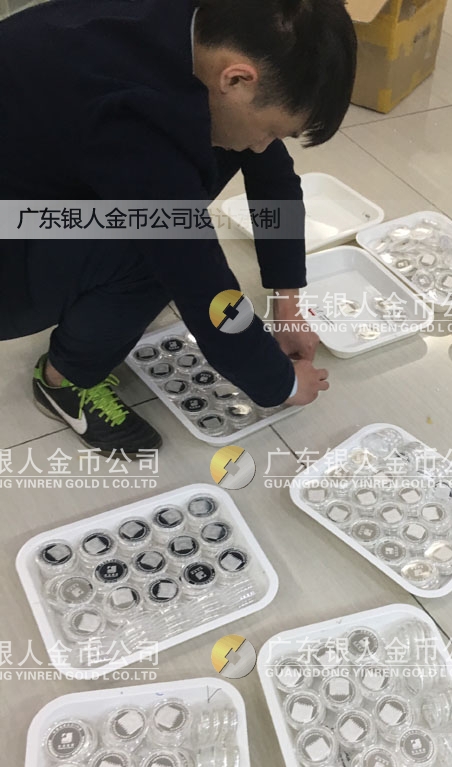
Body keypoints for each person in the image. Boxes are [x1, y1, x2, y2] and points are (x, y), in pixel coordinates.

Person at [0, 0, 357, 455]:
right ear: (237, 78)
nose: (263, 144)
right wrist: (281, 383)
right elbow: (199, 279)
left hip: (30, 174)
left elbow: (273, 181)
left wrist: (287, 302)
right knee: (152, 250)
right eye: (271, 130)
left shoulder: (205, 30)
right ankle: (64, 382)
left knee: (223, 150)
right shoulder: (132, 116)